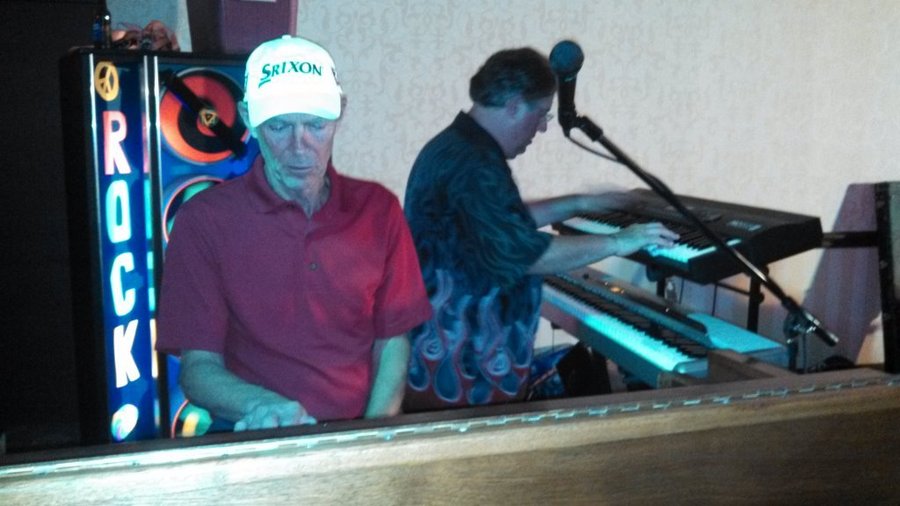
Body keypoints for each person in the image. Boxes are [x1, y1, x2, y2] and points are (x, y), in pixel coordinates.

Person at [156, 35, 432, 431]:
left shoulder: (378, 210)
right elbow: (198, 370)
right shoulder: (204, 221)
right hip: (258, 438)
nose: (299, 146)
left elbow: (393, 342)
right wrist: (267, 407)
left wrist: (371, 436)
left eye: (316, 125)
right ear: (248, 117)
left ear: (340, 113)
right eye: (280, 126)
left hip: (359, 437)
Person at [403, 47, 678, 412]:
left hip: (451, 359)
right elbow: (525, 254)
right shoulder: (474, 164)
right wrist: (619, 241)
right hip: (463, 371)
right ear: (515, 105)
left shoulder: (459, 147)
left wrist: (579, 202)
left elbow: (500, 222)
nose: (544, 127)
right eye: (542, 113)